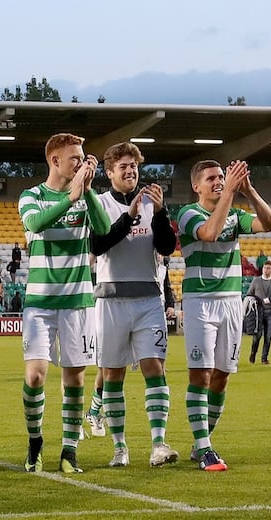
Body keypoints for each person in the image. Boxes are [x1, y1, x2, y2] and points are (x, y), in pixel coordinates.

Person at [177, 159, 271, 471]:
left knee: (221, 376)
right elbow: (210, 232)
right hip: (200, 302)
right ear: (197, 186)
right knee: (201, 374)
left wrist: (248, 190)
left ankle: (200, 443)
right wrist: (230, 194)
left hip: (232, 302)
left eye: (222, 176)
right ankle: (206, 449)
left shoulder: (236, 212)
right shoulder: (188, 213)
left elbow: (270, 224)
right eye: (211, 178)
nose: (219, 181)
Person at [18, 133, 110, 474]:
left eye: (84, 158)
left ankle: (69, 451)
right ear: (55, 161)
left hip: (77, 302)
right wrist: (71, 197)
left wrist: (86, 192)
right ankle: (35, 440)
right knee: (36, 376)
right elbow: (35, 224)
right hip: (40, 303)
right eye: (75, 158)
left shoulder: (86, 198)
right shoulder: (32, 197)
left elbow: (102, 231)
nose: (82, 163)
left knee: (75, 377)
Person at [87, 142, 179, 468]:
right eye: (123, 166)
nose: (130, 171)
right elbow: (98, 244)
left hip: (148, 300)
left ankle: (158, 444)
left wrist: (161, 211)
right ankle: (119, 447)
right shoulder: (99, 203)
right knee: (112, 374)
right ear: (109, 172)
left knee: (155, 368)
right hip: (110, 300)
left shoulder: (152, 205)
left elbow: (167, 247)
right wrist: (128, 218)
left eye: (134, 166)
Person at [247, 261, 271, 365]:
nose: (266, 270)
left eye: (269, 268)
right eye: (265, 268)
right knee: (257, 335)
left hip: (270, 312)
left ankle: (264, 358)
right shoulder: (256, 281)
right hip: (258, 313)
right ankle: (253, 353)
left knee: (268, 336)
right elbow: (249, 295)